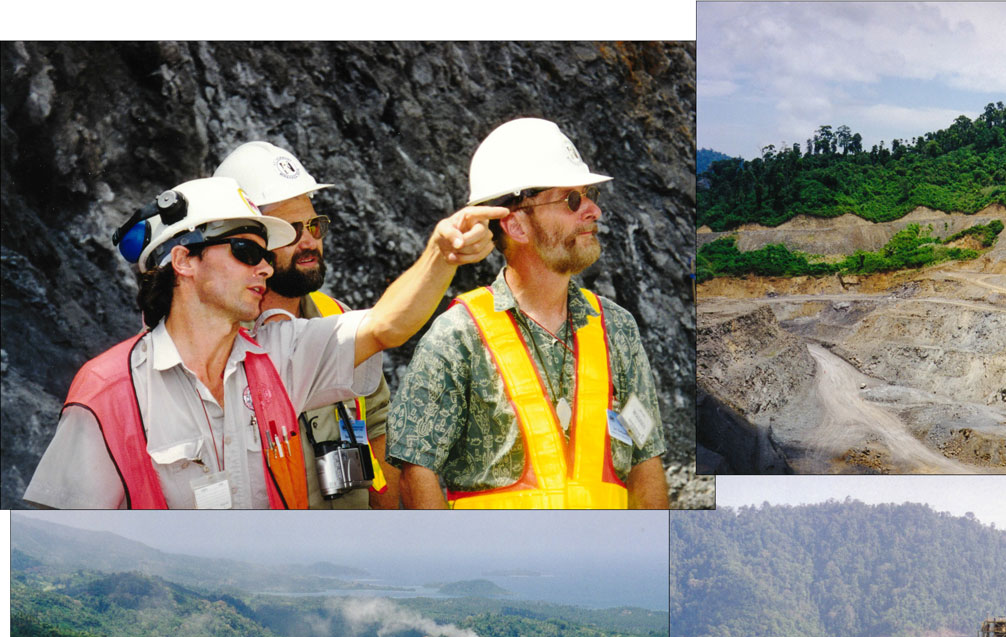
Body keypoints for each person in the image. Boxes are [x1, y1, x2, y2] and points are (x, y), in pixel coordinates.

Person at [24, 176, 505, 508]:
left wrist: (441, 256)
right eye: (245, 250)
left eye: (265, 255)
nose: (265, 268)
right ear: (184, 261)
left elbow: (385, 326)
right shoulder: (108, 393)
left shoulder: (281, 356)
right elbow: (64, 539)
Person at [388, 118, 668, 509]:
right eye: (572, 200)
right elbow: (416, 473)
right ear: (516, 225)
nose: (595, 210)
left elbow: (645, 460)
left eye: (588, 196)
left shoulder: (617, 328)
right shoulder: (457, 336)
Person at [215, 141, 397, 509]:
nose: (309, 240)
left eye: (314, 225)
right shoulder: (215, 343)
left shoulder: (338, 318)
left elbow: (378, 426)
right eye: (290, 230)